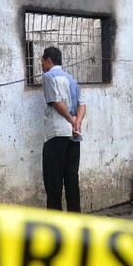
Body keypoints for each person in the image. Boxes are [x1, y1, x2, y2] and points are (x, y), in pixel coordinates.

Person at [41, 46, 86, 212]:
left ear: (48, 60)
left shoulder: (49, 76)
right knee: (71, 178)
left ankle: (55, 224)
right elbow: (82, 104)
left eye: (42, 60)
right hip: (74, 135)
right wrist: (77, 122)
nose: (41, 64)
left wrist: (70, 119)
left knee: (53, 181)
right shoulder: (72, 79)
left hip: (57, 134)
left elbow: (55, 102)